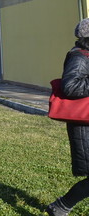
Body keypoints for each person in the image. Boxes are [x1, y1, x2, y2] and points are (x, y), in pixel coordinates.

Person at [46, 18, 89, 215]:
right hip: (84, 127)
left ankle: (60, 207)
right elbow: (70, 87)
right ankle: (60, 207)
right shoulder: (79, 57)